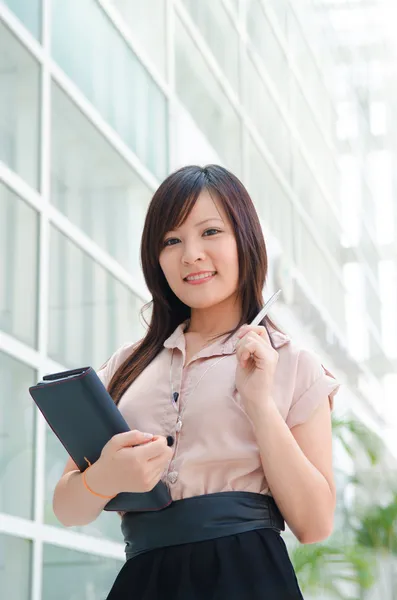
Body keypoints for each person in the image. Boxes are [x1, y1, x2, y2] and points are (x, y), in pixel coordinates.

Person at [53, 164, 340, 599]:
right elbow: (67, 509)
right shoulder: (126, 366)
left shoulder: (293, 364)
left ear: (246, 239)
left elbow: (315, 524)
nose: (191, 255)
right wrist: (106, 476)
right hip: (144, 579)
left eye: (210, 232)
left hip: (248, 578)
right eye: (172, 240)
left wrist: (260, 404)